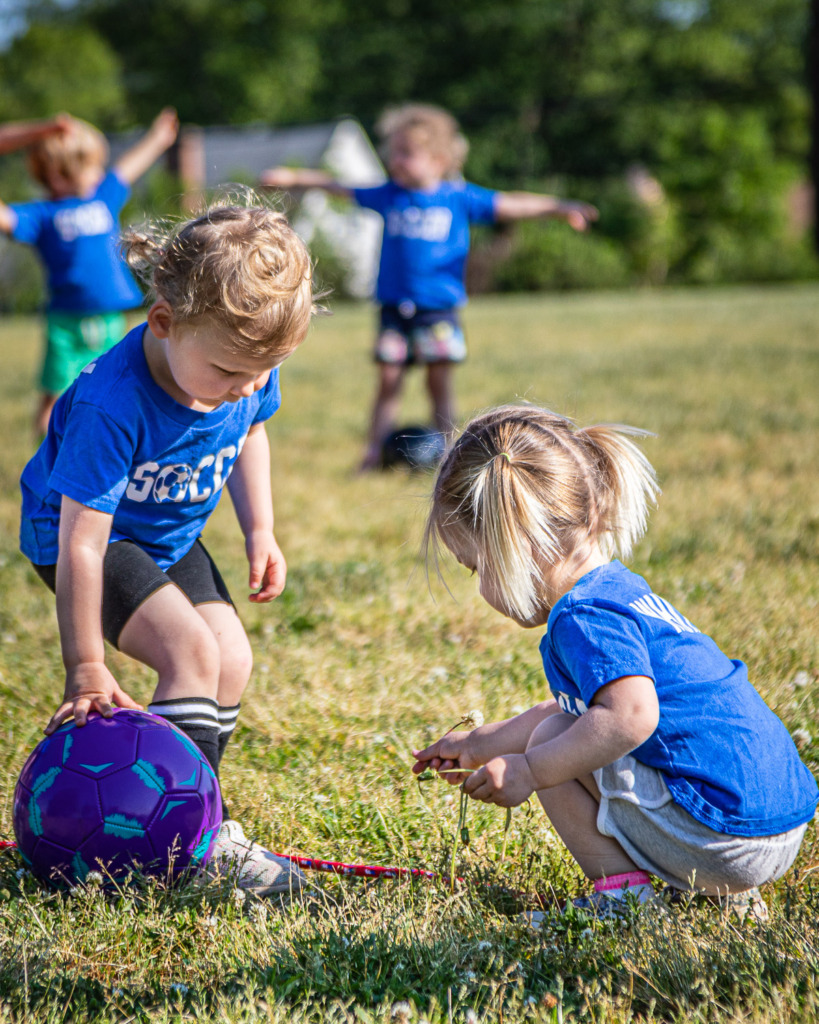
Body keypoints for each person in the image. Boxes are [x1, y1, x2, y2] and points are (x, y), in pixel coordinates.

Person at [413, 404, 818, 920]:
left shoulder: (581, 616)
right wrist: (477, 745)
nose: (483, 590)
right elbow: (575, 715)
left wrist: (530, 769)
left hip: (724, 835)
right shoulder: (620, 592)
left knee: (550, 744)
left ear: (514, 545)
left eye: (477, 569)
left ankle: (624, 901)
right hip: (776, 821)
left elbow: (630, 717)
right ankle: (725, 896)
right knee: (565, 728)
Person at [19, 197, 317, 895]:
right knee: (191, 653)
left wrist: (259, 529)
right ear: (163, 323)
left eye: (261, 372)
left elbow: (251, 431)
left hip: (168, 534)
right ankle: (197, 848)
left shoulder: (241, 362)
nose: (245, 388)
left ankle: (190, 813)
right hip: (86, 540)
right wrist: (86, 665)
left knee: (231, 658)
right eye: (229, 374)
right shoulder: (112, 404)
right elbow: (83, 545)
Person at [261, 104, 598, 471]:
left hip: (438, 309)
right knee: (388, 380)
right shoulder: (390, 194)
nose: (396, 160)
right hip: (394, 309)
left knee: (439, 383)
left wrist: (559, 207)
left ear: (438, 159)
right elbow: (337, 186)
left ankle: (451, 455)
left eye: (407, 153)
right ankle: (373, 452)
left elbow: (512, 202)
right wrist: (293, 178)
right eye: (394, 152)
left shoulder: (458, 197)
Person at [0, 108, 179, 436]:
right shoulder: (40, 215)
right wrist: (38, 131)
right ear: (57, 174)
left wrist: (158, 137)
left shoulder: (103, 197)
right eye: (91, 166)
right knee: (54, 402)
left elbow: (131, 166)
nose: (100, 172)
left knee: (115, 392)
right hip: (65, 326)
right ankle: (47, 470)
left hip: (111, 320)